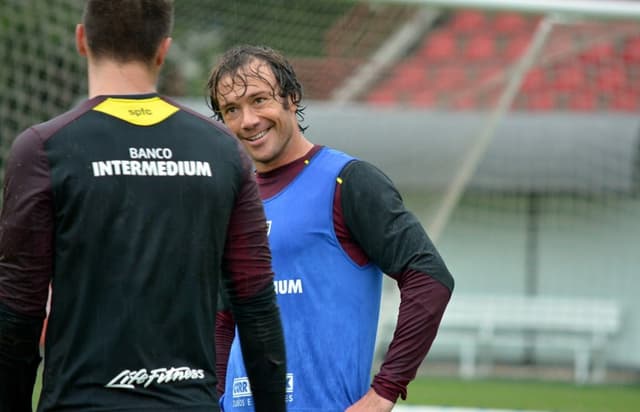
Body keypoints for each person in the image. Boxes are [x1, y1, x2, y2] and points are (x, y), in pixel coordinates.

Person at [0, 3, 287, 411]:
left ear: (82, 39)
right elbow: (256, 305)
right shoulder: (222, 150)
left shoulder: (45, 147)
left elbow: (17, 315)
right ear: (163, 49)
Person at [207, 44, 455, 412]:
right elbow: (224, 318)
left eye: (259, 100)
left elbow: (430, 278)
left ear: (292, 98)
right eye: (232, 110)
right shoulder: (232, 201)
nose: (248, 120)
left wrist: (384, 390)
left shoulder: (348, 181)